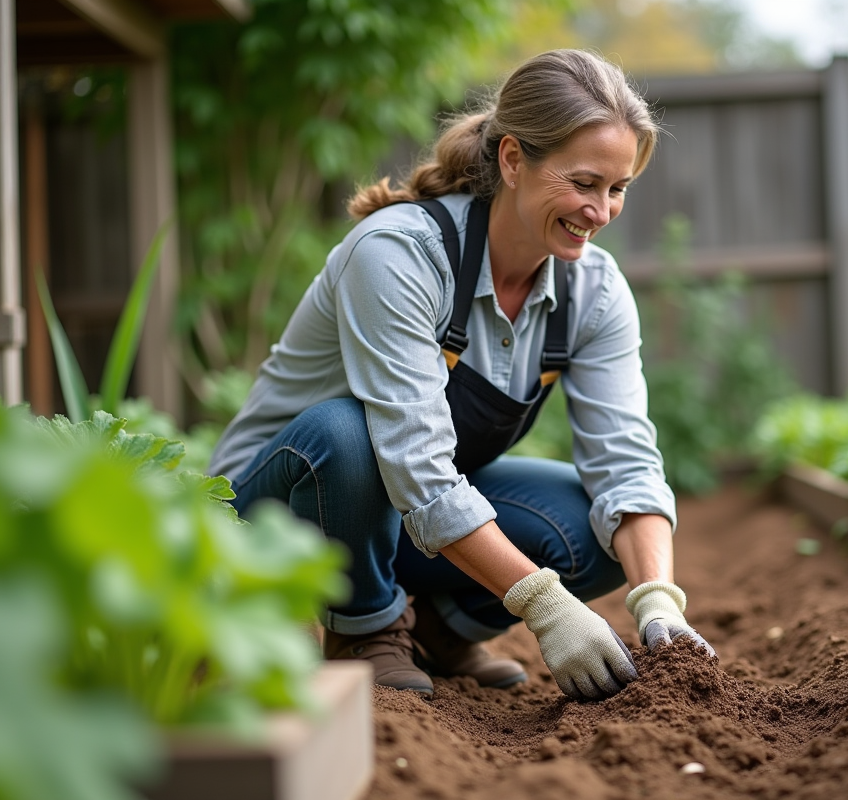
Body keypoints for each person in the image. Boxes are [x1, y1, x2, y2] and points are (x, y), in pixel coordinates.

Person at [209, 49, 714, 702]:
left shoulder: (594, 291)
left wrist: (656, 601)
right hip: (275, 514)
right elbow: (415, 462)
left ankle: (442, 634)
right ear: (512, 160)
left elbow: (627, 460)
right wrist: (542, 604)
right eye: (584, 183)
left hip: (399, 516)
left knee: (590, 527)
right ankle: (364, 628)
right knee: (348, 434)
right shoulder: (400, 255)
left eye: (617, 189)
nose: (601, 211)